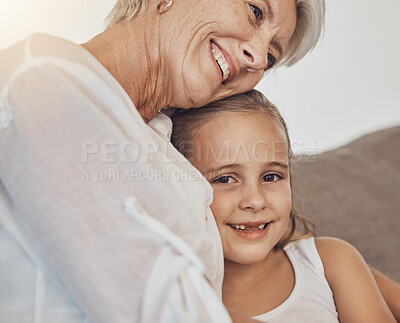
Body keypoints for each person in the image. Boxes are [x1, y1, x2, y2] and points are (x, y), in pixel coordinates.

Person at [0, 0, 325, 322]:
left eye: (270, 56)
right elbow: (163, 308)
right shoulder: (37, 80)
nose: (256, 58)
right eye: (255, 11)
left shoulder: (170, 148)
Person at [170, 89, 398, 322]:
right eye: (225, 179)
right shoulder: (169, 297)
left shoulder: (331, 263)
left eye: (270, 177)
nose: (256, 201)